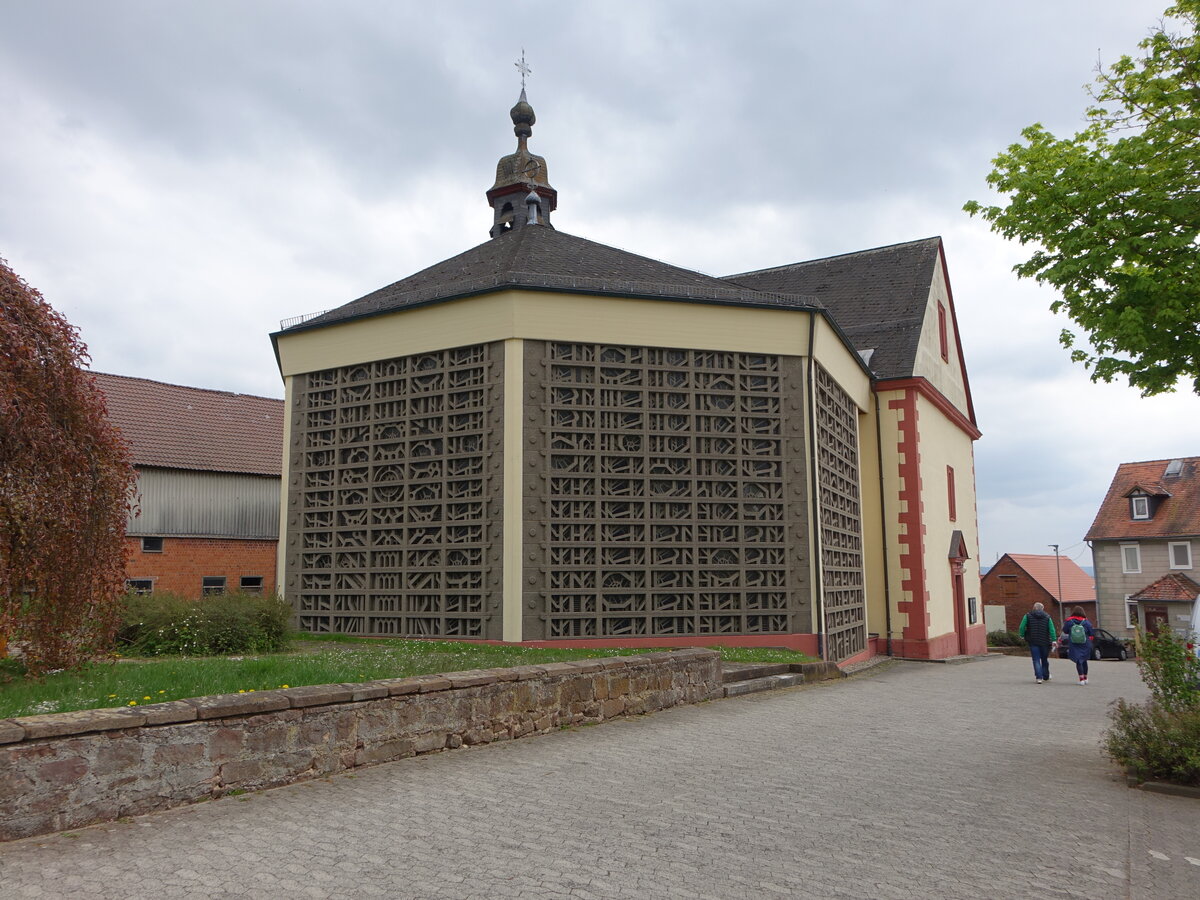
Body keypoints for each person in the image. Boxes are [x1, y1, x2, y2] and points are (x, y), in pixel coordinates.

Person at [1018, 602, 1057, 684]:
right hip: (1045, 642)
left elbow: (1022, 626)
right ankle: (1046, 676)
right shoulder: (1047, 617)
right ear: (1042, 609)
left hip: (1033, 641)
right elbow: (1052, 629)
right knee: (1044, 659)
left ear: (1034, 608)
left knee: (1036, 660)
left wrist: (1021, 635)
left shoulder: (1027, 616)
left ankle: (1039, 678)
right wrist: (1054, 639)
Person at [1060, 605, 1095, 685]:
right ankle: (1086, 678)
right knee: (1084, 660)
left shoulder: (1069, 621)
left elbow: (1065, 631)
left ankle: (1081, 679)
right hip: (1085, 643)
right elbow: (1091, 632)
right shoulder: (1086, 622)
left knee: (1078, 661)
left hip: (1074, 643)